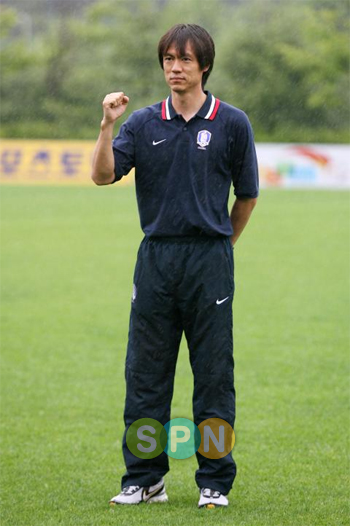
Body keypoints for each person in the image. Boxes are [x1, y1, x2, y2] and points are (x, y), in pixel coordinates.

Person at [91, 23, 258, 509]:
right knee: (146, 376)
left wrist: (222, 243)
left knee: (212, 377)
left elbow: (247, 195)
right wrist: (106, 125)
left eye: (184, 60)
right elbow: (102, 176)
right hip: (156, 261)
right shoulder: (143, 123)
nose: (175, 68)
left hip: (210, 262)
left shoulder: (232, 123)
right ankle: (145, 479)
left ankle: (214, 481)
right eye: (168, 59)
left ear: (204, 65)